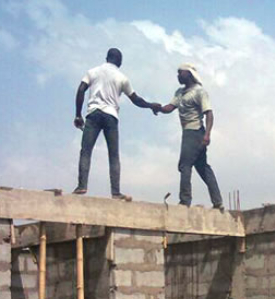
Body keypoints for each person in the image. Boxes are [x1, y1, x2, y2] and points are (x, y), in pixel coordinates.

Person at [73, 48, 159, 198]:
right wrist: (151, 105)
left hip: (93, 114)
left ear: (106, 58)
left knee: (86, 151)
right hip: (111, 116)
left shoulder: (93, 71)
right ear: (119, 61)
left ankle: (82, 186)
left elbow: (81, 90)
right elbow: (136, 99)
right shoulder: (122, 78)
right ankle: (115, 192)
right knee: (113, 155)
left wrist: (78, 114)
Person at [154, 63, 223, 210]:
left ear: (189, 74)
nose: (178, 75)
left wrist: (207, 134)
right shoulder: (180, 92)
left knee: (184, 165)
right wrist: (158, 108)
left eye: (181, 73)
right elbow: (170, 108)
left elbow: (209, 113)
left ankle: (185, 201)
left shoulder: (199, 92)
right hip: (188, 132)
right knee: (202, 167)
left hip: (195, 132)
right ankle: (218, 201)